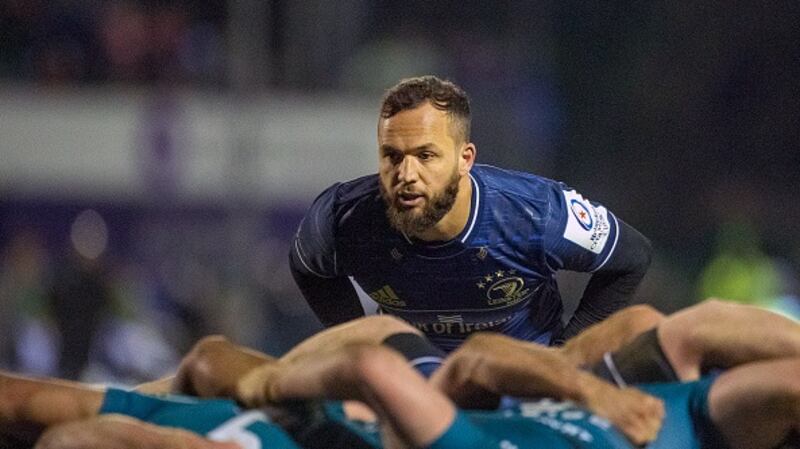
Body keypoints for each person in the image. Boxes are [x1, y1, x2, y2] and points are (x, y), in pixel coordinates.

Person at [290, 75, 653, 351]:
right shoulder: (342, 218)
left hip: (523, 385)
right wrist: (360, 345)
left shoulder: (537, 213)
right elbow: (306, 267)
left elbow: (632, 256)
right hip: (416, 388)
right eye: (392, 156)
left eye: (426, 156)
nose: (406, 174)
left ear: (465, 159)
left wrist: (568, 356)